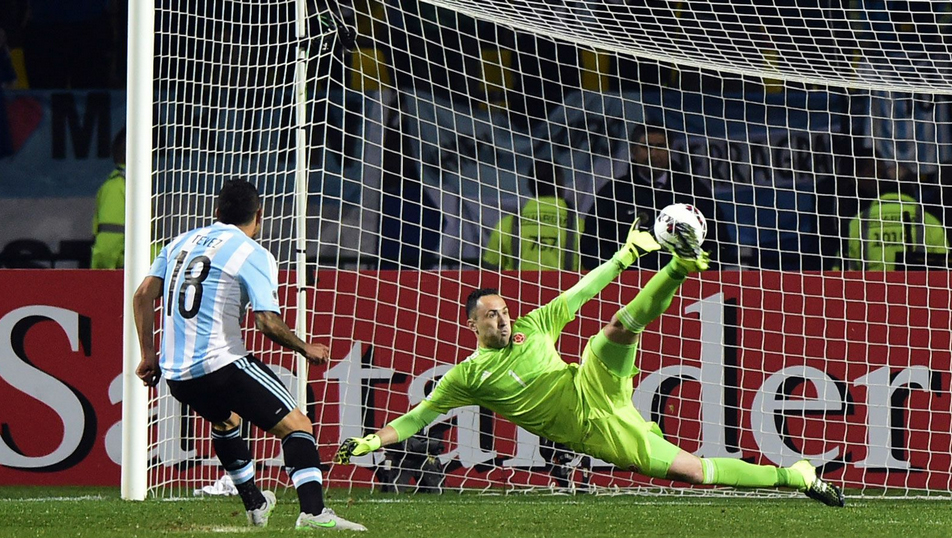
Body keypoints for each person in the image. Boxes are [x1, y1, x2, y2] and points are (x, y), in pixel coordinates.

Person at [334, 220, 845, 507]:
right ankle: (795, 476)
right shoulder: (467, 376)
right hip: (594, 431)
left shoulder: (535, 325)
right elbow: (419, 418)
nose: (504, 319)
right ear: (474, 325)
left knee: (617, 329)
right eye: (493, 316)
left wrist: (625, 257)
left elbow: (580, 290)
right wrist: (372, 441)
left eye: (505, 311)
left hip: (592, 384)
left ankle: (679, 265)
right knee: (697, 472)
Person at [133, 179, 366, 531]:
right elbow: (267, 322)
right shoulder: (252, 253)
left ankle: (256, 504)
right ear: (260, 215)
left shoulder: (179, 242)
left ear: (216, 213)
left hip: (176, 374)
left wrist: (148, 355)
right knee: (297, 426)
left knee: (226, 422)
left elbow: (142, 296)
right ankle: (315, 514)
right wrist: (305, 348)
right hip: (221, 363)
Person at [580, 125, 728, 271]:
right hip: (627, 286)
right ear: (633, 151)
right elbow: (592, 244)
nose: (653, 154)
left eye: (660, 147)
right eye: (646, 147)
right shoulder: (614, 193)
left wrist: (699, 274)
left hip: (684, 284)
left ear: (669, 150)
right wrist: (616, 274)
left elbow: (718, 241)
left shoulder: (693, 191)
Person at [838, 158, 949, 270]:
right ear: (912, 188)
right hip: (915, 287)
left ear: (880, 187)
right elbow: (944, 268)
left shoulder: (858, 222)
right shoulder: (929, 223)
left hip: (871, 287)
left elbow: (841, 270)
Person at [483, 161, 584, 271]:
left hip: (518, 288)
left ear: (530, 185)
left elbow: (490, 271)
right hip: (569, 288)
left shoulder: (505, 226)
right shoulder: (581, 227)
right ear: (560, 183)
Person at [90, 128, 126, 269]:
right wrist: (101, 279)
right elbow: (109, 242)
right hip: (126, 278)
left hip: (142, 276)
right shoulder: (117, 188)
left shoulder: (125, 186)